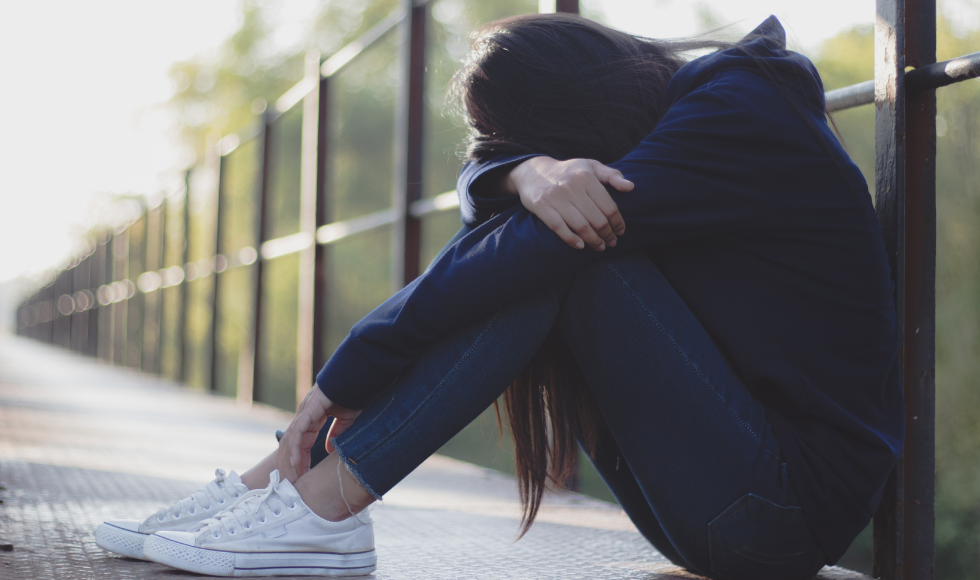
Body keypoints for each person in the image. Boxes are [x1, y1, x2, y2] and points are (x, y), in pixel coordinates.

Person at [94, 13, 902, 580]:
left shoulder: (738, 114)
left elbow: (519, 245)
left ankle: (319, 495)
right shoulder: (686, 120)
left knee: (561, 254)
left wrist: (344, 375)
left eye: (533, 145)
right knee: (536, 245)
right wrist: (522, 173)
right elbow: (481, 197)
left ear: (574, 115)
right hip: (718, 505)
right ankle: (289, 478)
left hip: (779, 512)